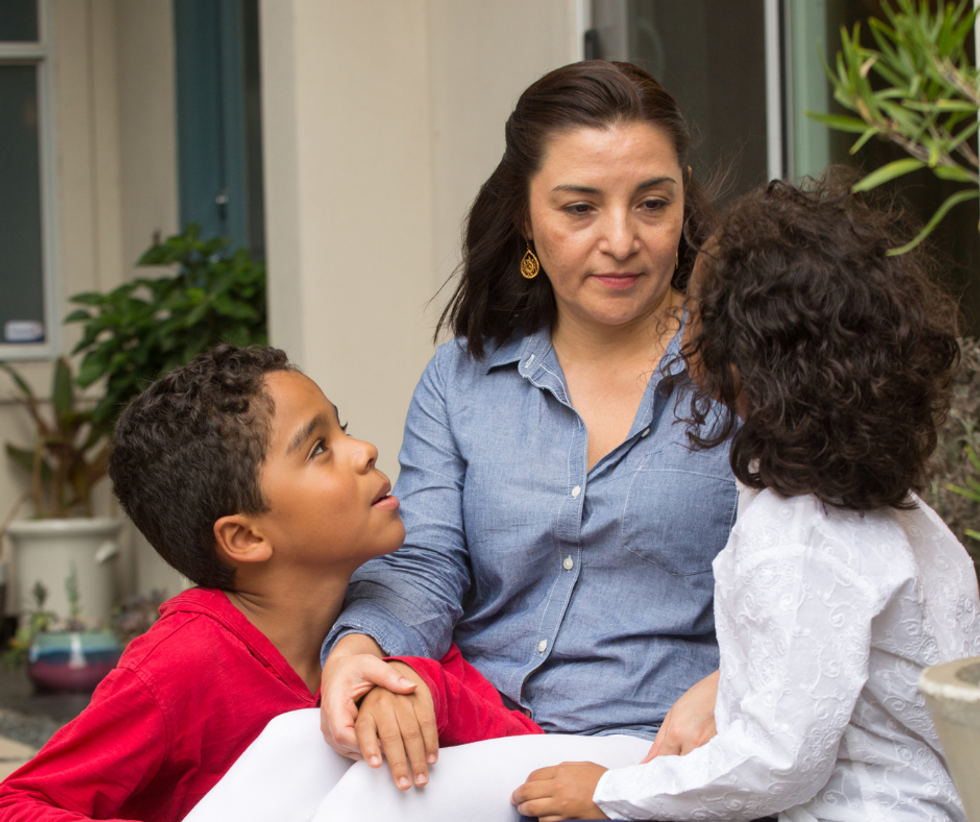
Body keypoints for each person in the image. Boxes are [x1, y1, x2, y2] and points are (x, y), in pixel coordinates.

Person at [319, 59, 739, 785]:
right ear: (524, 215)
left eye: (652, 204)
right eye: (579, 209)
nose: (621, 240)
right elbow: (426, 562)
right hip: (479, 730)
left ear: (683, 199)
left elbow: (819, 579)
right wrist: (361, 652)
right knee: (290, 759)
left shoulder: (746, 374)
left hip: (661, 756)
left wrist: (736, 685)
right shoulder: (461, 380)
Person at [508, 178, 980, 820]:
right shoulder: (895, 509)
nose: (681, 319)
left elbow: (775, 760)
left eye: (697, 308)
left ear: (744, 352)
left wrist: (610, 794)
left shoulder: (795, 536)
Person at [0, 345, 538, 821]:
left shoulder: (394, 627)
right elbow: (19, 803)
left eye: (342, 427)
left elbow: (533, 767)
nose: (365, 449)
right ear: (245, 537)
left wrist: (427, 692)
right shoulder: (182, 664)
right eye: (319, 448)